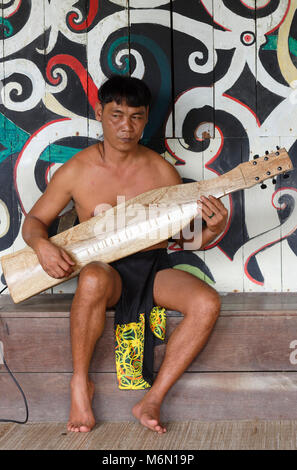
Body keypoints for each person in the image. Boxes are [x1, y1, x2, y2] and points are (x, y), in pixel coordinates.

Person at [22, 75, 228, 434]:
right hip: (104, 271)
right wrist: (42, 245)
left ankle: (152, 399)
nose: (126, 126)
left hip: (152, 268)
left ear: (146, 118)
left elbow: (181, 237)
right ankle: (80, 384)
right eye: (117, 114)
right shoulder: (77, 170)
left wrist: (212, 228)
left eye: (136, 116)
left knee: (207, 302)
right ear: (99, 112)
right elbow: (36, 220)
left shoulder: (161, 170)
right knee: (92, 277)